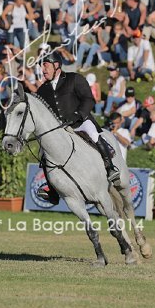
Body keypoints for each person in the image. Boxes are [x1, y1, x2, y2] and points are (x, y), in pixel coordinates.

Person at [35, 51, 119, 202]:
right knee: (44, 153)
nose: (43, 69)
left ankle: (110, 167)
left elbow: (88, 99)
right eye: (42, 66)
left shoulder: (74, 79)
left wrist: (78, 114)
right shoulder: (42, 90)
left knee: (93, 133)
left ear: (56, 65)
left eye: (45, 65)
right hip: (60, 130)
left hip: (80, 122)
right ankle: (53, 192)